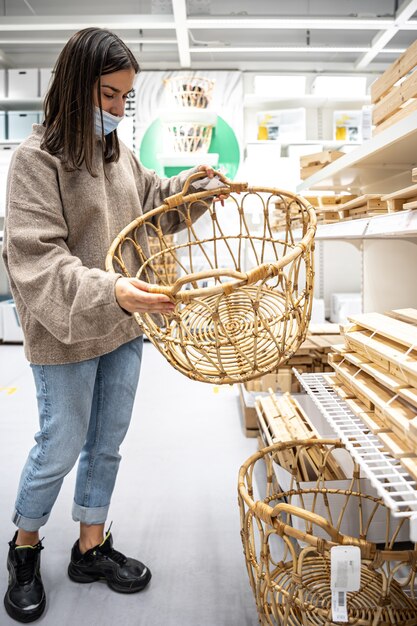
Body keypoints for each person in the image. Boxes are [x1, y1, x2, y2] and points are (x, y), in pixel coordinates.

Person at [2, 27, 222, 623]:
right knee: (60, 444)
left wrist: (192, 189)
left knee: (106, 444)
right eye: (109, 96)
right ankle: (24, 549)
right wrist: (114, 291)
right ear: (75, 88)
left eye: (127, 97)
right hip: (68, 331)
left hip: (124, 326)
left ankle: (89, 547)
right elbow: (38, 259)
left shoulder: (118, 151)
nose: (120, 109)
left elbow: (152, 200)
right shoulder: (34, 160)